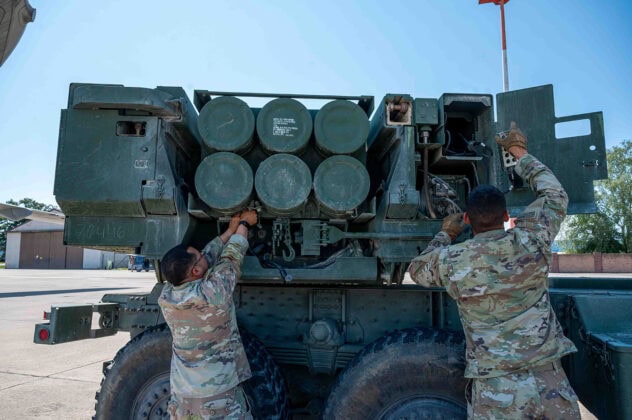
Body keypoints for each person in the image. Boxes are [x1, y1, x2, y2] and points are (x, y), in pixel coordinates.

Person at [407, 123, 580, 419]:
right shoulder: (532, 240)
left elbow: (417, 269)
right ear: (506, 216)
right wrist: (518, 151)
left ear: (467, 220)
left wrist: (445, 234)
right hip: (550, 384)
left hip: (497, 392)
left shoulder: (453, 260)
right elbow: (554, 195)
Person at [158, 209, 258, 420]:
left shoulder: (166, 297)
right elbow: (231, 258)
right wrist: (245, 225)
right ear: (195, 272)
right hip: (217, 399)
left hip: (182, 398)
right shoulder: (213, 294)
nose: (204, 255)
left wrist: (228, 232)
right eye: (200, 256)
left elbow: (206, 260)